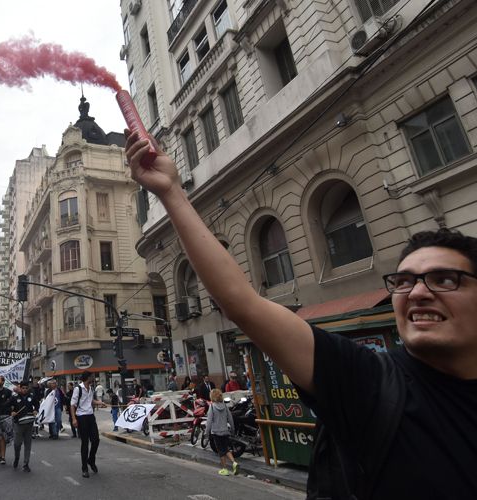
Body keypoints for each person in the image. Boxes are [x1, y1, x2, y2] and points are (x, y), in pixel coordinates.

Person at [125, 131, 477, 498]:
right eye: (403, 282)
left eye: (443, 279)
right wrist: (171, 193)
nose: (418, 292)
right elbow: (243, 303)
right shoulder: (369, 381)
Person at [70, 371, 108, 478]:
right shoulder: (78, 389)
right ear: (88, 377)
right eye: (92, 376)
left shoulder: (91, 388)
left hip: (91, 416)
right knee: (85, 443)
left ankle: (91, 460)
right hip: (81, 417)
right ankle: (84, 468)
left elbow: (91, 401)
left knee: (96, 440)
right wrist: (74, 419)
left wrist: (100, 403)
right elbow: (72, 405)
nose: (93, 378)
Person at [206, 389, 239, 476]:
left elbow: (209, 421)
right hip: (225, 431)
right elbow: (230, 418)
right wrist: (232, 429)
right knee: (226, 449)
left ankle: (225, 469)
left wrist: (206, 433)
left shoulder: (212, 406)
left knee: (221, 451)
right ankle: (234, 462)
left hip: (216, 432)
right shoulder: (225, 406)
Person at [8, 380, 38, 472]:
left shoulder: (31, 396)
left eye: (26, 388)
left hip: (29, 423)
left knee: (28, 444)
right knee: (17, 444)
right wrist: (11, 412)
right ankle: (17, 458)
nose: (25, 390)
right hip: (18, 424)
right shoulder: (14, 397)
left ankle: (26, 464)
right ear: (20, 388)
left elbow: (37, 404)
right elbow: (7, 406)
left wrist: (35, 410)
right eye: (23, 388)